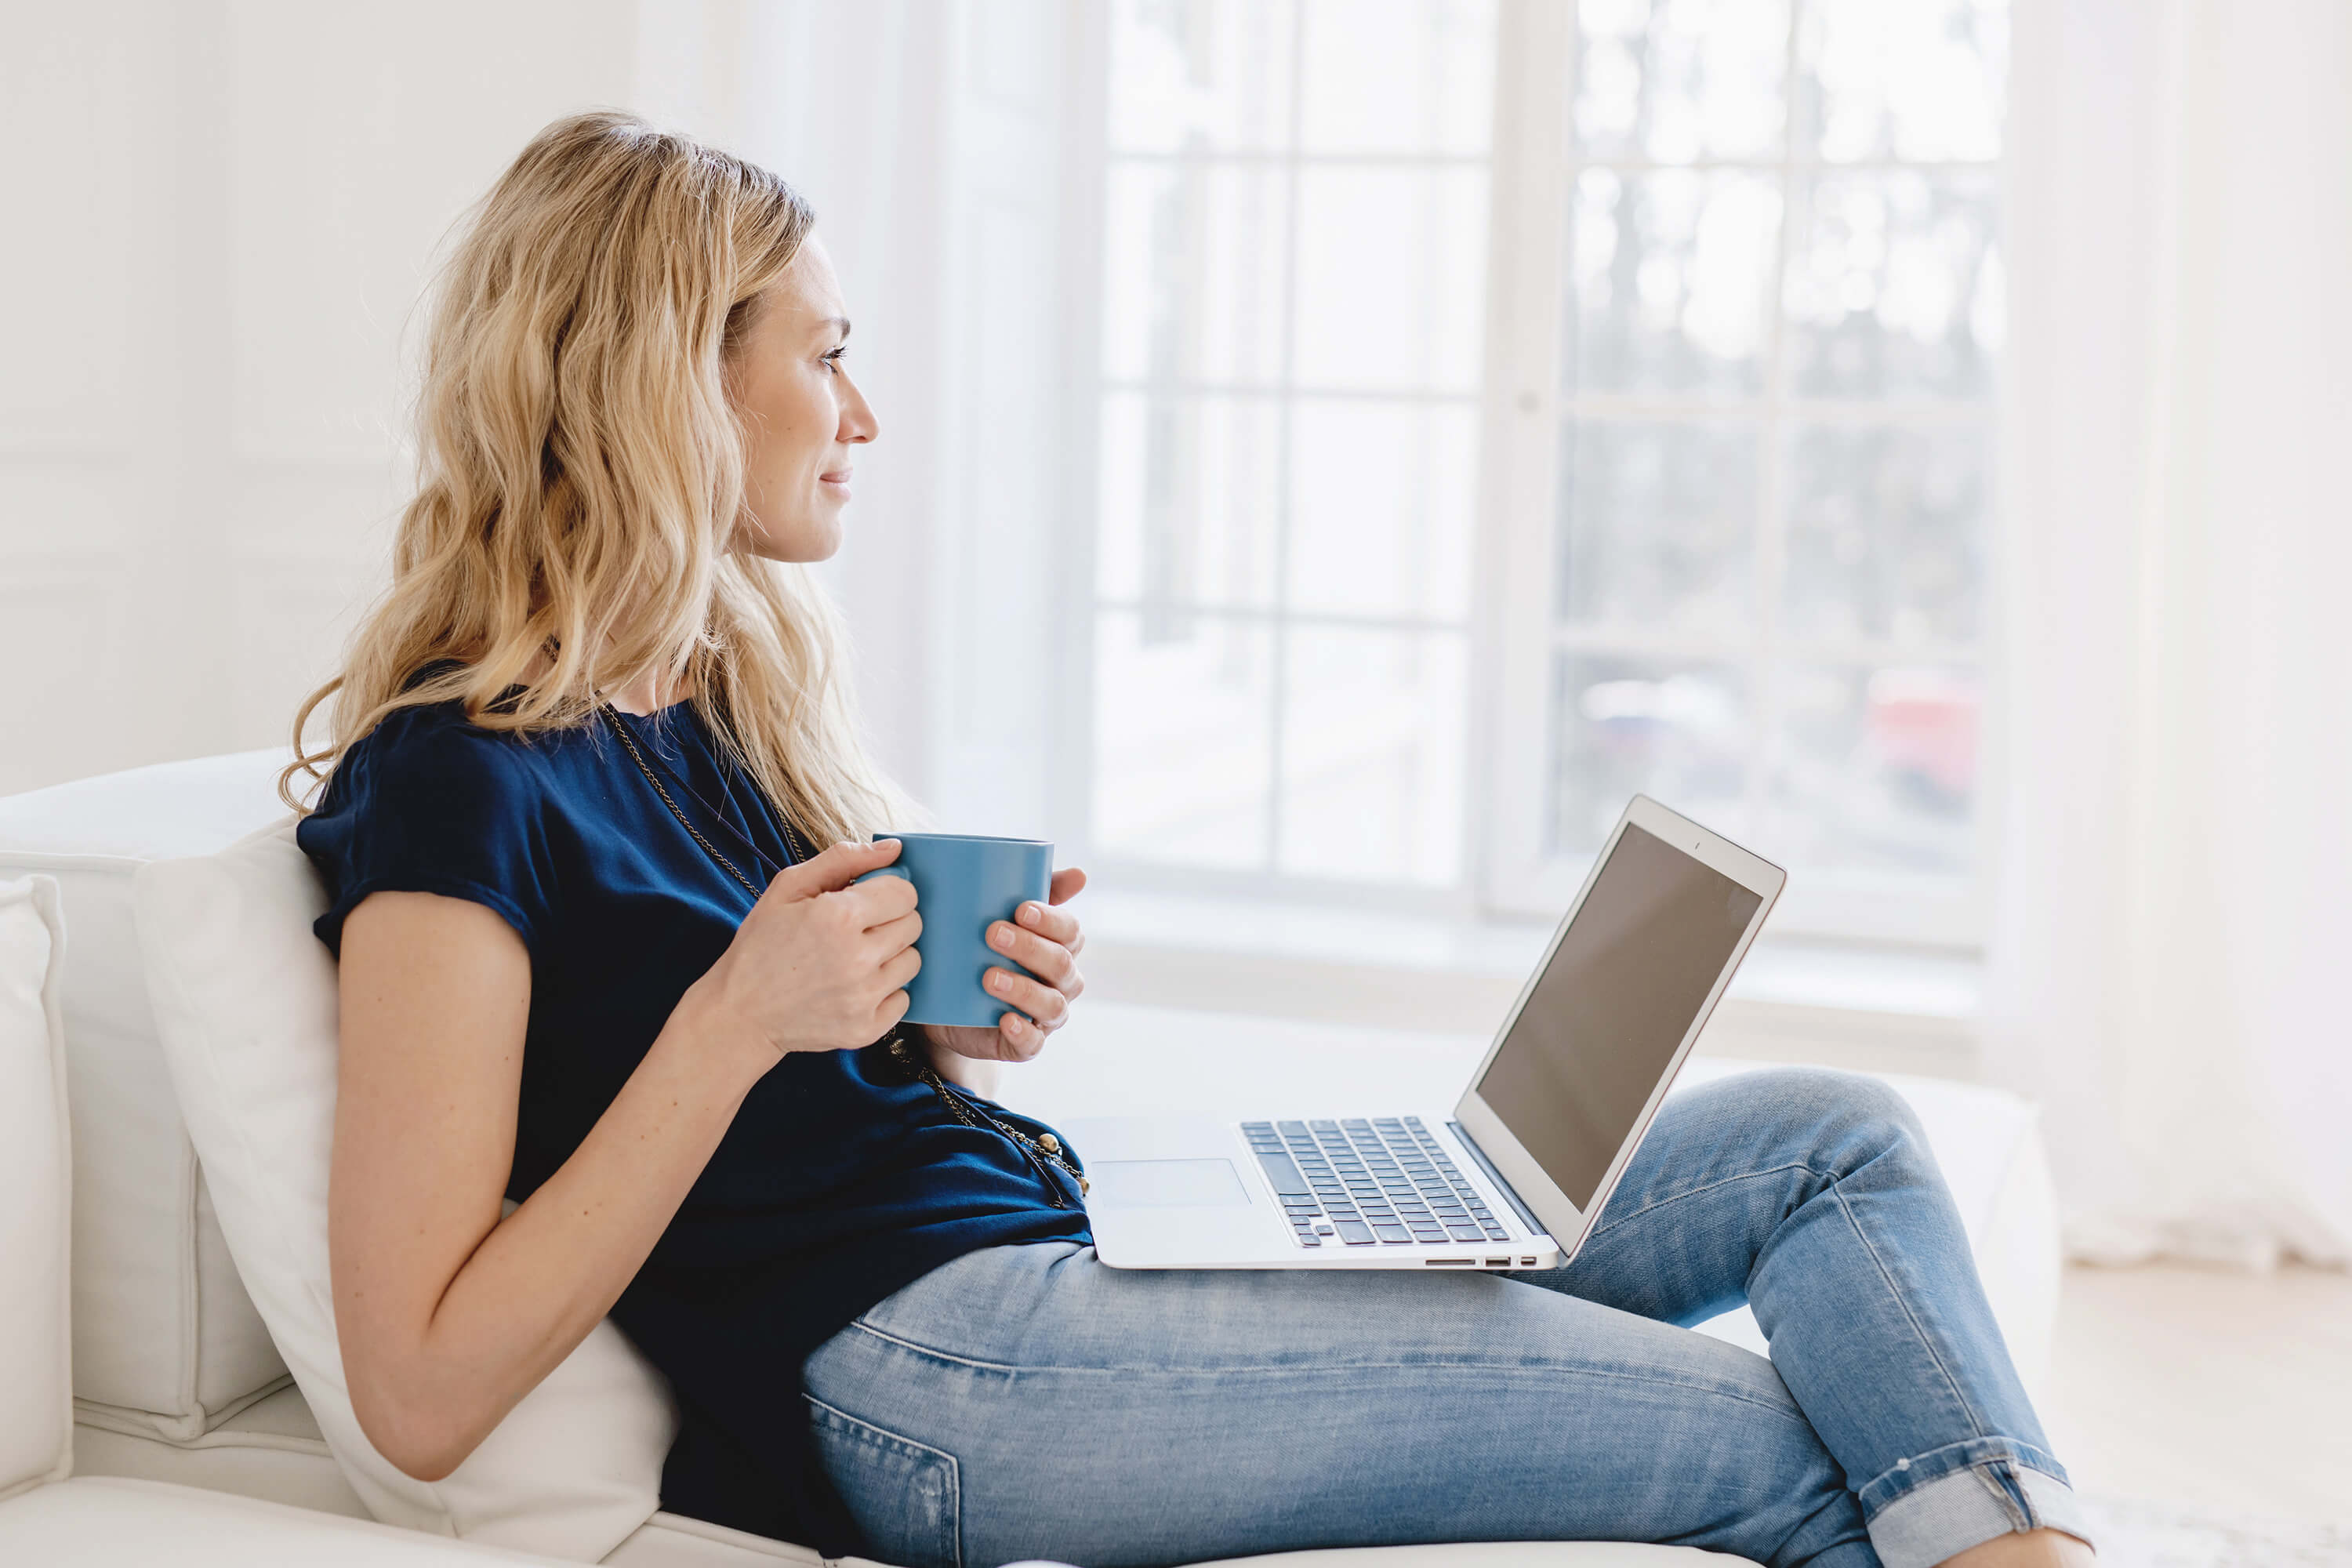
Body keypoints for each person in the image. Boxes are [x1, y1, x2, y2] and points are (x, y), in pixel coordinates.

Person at [289, 112, 2094, 1568]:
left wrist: (928, 1023)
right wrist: (741, 1016)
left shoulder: (708, 694)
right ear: (665, 380)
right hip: (944, 1375)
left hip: (1046, 1247)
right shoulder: (456, 777)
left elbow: (783, 1115)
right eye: (825, 357)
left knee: (1837, 1139)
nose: (863, 415)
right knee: (1796, 1448)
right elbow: (421, 1382)